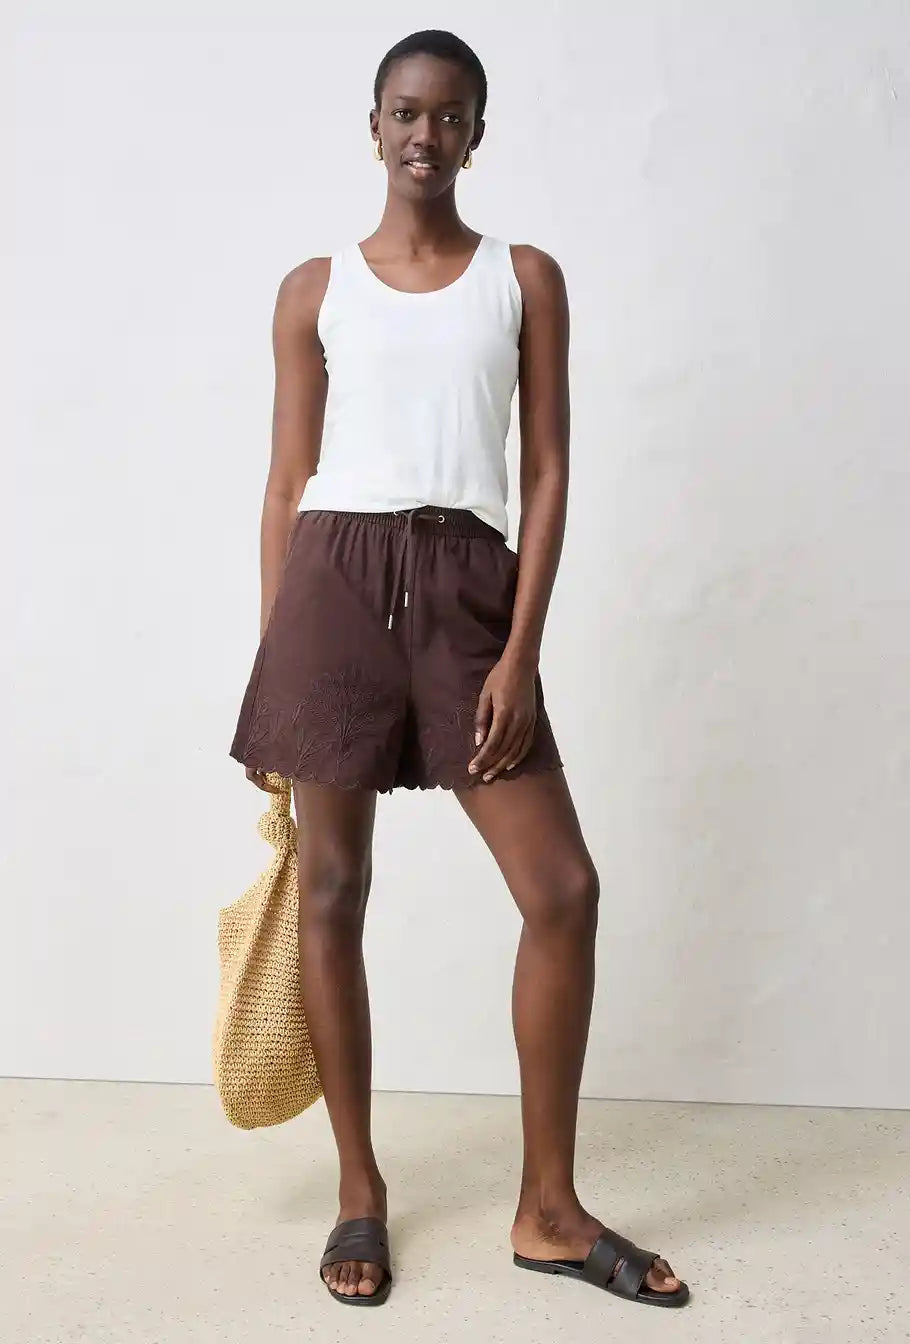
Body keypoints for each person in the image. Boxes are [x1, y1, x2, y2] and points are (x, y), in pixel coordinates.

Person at [229, 28, 689, 1311]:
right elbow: (286, 482)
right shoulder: (314, 289)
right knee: (332, 889)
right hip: (332, 589)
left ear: (477, 136)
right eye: (404, 112)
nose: (424, 134)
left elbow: (545, 471)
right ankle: (359, 1190)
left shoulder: (523, 279)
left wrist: (521, 653)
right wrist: (274, 669)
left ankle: (549, 1210)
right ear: (372, 126)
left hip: (470, 591)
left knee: (562, 889)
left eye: (449, 116)